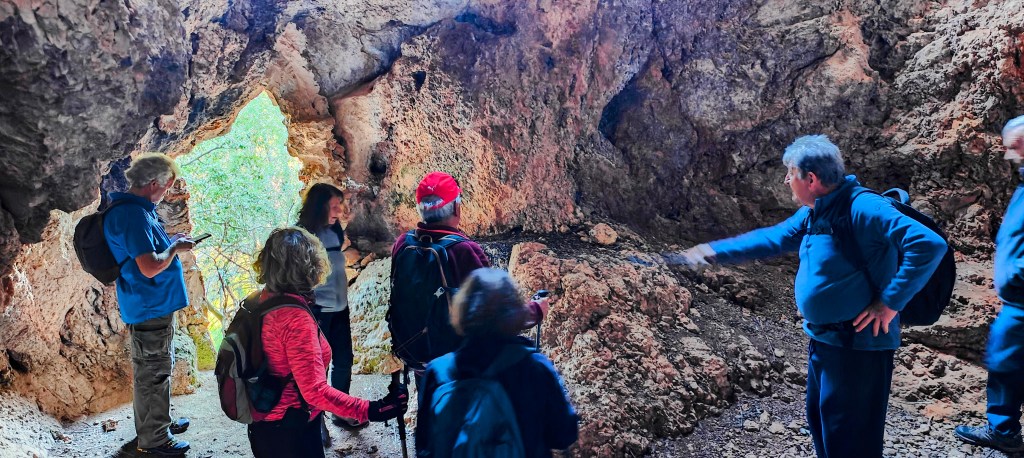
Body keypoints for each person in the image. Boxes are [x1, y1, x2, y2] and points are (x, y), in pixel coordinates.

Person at [669, 135, 947, 457]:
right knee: (823, 425)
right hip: (826, 343)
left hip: (859, 348)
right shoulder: (816, 212)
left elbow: (928, 244)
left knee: (850, 441)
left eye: (790, 172)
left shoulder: (863, 208)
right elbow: (773, 239)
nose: (787, 180)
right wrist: (712, 251)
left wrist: (889, 303)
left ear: (811, 179)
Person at [247, 227, 408, 458]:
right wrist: (372, 409)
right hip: (291, 431)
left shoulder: (262, 300)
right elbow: (314, 391)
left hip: (266, 422)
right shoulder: (294, 318)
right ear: (309, 267)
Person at [389, 172, 547, 391]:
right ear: (456, 208)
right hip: (457, 366)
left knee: (434, 412)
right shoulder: (464, 251)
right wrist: (536, 311)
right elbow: (499, 314)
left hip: (417, 355)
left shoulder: (402, 244)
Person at [415, 268, 578, 457]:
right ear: (516, 312)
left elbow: (424, 445)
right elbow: (563, 435)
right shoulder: (534, 368)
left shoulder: (437, 371)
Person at [103, 153, 195, 456]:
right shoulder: (131, 215)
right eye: (166, 187)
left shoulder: (137, 212)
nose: (166, 193)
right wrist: (175, 247)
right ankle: (155, 441)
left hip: (152, 306)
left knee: (157, 370)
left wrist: (169, 242)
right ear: (153, 183)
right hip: (148, 308)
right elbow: (149, 266)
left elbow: (148, 251)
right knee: (152, 373)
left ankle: (160, 424)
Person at [954, 116, 1024, 453]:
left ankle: (1004, 431)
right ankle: (1004, 430)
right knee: (1005, 360)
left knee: (1006, 360)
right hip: (1017, 301)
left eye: (1016, 147)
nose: (1011, 156)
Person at [296, 183, 361, 438]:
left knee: (344, 360)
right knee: (318, 367)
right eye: (334, 206)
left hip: (340, 307)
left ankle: (341, 410)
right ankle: (316, 421)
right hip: (318, 310)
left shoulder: (334, 229)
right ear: (319, 206)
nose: (339, 210)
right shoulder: (302, 233)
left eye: (339, 205)